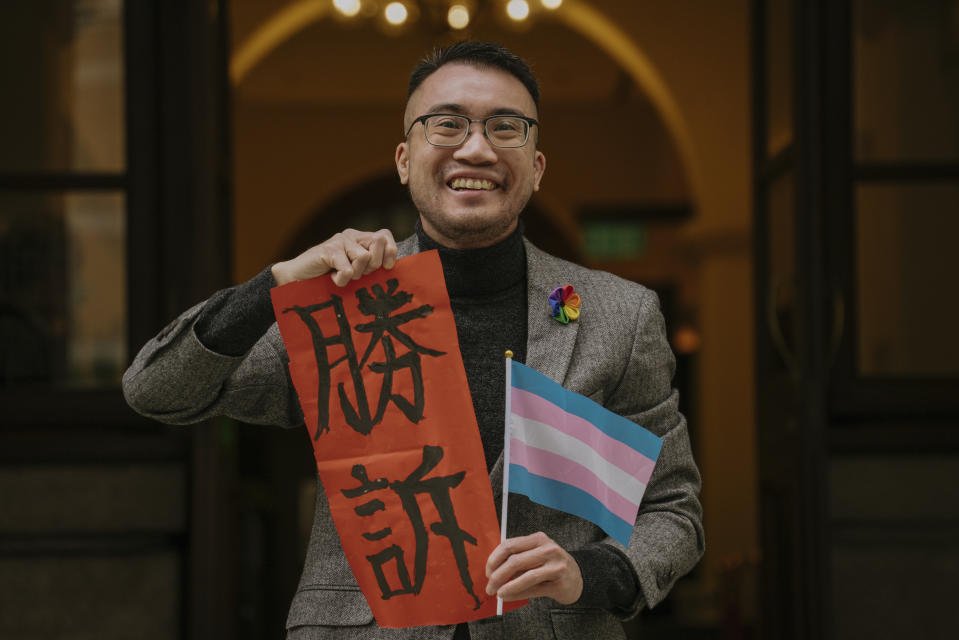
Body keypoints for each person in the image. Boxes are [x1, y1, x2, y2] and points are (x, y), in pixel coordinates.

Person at [124, 41, 703, 640]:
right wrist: (275, 286)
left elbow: (671, 508)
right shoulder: (340, 305)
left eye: (506, 127)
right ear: (404, 159)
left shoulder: (619, 315)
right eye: (446, 124)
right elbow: (156, 389)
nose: (476, 148)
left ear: (536, 166)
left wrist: (590, 571)